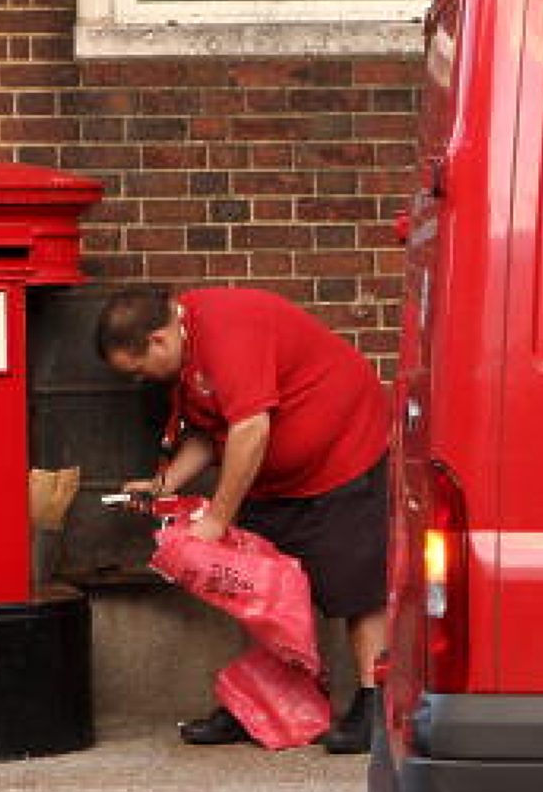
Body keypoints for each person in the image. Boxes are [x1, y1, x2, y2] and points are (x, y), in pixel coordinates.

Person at [96, 285, 390, 755]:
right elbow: (211, 435)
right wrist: (162, 486)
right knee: (258, 591)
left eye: (138, 371)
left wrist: (216, 518)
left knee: (358, 588)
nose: (142, 382)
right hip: (275, 481)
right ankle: (264, 703)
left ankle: (378, 704)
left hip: (345, 456)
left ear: (158, 341)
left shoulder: (227, 330)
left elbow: (251, 428)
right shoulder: (186, 356)